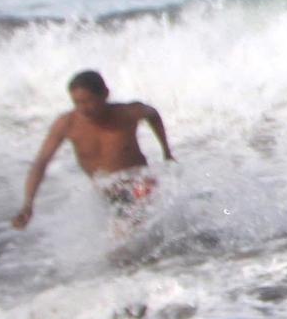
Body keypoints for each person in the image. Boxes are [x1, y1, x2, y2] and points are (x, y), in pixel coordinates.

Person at [10, 70, 175, 230]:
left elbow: (152, 114)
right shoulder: (67, 124)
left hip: (139, 185)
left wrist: (166, 151)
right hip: (107, 193)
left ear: (105, 94)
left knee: (126, 243)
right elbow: (41, 162)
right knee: (120, 247)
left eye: (88, 101)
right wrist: (28, 203)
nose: (83, 108)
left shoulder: (128, 113)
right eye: (77, 103)